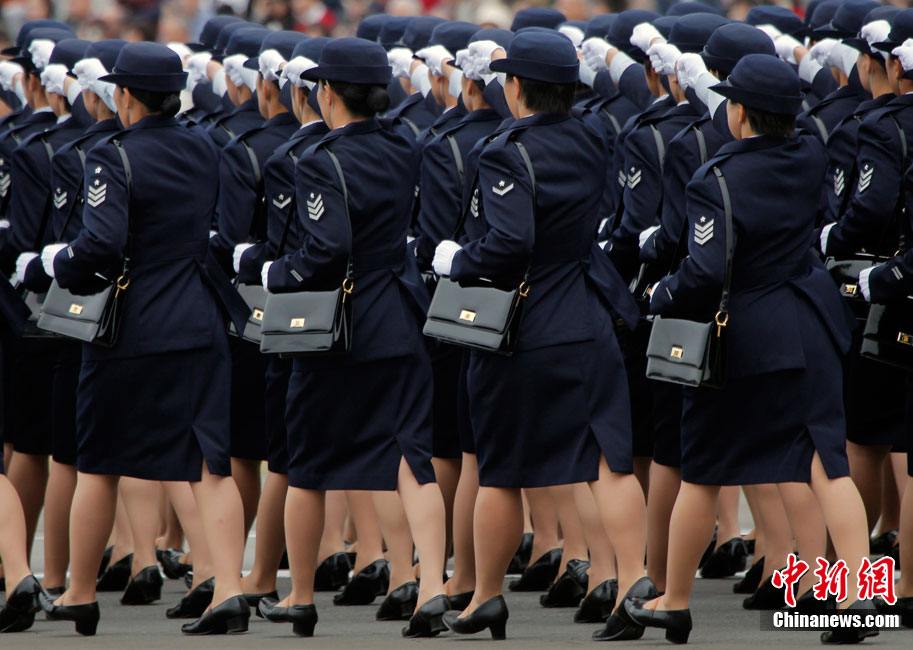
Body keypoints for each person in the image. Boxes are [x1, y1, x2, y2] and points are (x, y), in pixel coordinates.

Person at [628, 54, 873, 645]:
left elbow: (706, 271)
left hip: (744, 335)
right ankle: (859, 598)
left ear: (739, 112)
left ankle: (674, 600)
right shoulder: (809, 153)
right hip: (810, 323)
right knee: (828, 465)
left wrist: (662, 292)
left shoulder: (715, 177)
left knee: (702, 470)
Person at [431, 30, 651, 642]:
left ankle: (486, 596)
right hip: (588, 312)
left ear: (516, 87)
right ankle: (633, 580)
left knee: (500, 470)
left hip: (525, 325)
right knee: (610, 462)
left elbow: (510, 241)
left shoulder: (504, 151)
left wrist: (457, 260)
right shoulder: (592, 134)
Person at [37, 41, 250, 637]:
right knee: (211, 464)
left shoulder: (111, 154)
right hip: (200, 315)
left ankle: (80, 592)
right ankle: (230, 590)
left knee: (99, 462)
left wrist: (58, 264)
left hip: (133, 324)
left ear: (125, 95)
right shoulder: (206, 145)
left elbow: (102, 244)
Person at [257, 37, 448, 638]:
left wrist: (274, 273)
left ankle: (301, 596)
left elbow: (326, 250)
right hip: (399, 314)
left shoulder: (318, 158)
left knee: (308, 464)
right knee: (412, 458)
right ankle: (433, 589)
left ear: (329, 93)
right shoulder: (405, 143)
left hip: (339, 327)